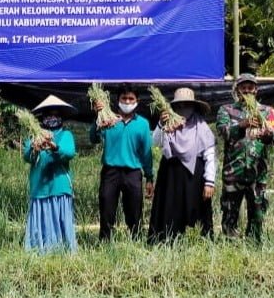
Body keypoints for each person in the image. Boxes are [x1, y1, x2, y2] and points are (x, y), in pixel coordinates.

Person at [216, 73, 274, 240]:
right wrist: (242, 124)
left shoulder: (268, 112)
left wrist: (267, 134)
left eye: (250, 88)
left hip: (257, 172)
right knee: (230, 211)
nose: (247, 91)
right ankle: (230, 244)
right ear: (237, 90)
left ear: (256, 90)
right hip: (234, 171)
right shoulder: (226, 110)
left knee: (257, 211)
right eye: (243, 87)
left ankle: (254, 244)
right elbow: (223, 131)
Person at [148, 87, 216, 241]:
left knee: (194, 209)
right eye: (179, 105)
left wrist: (209, 182)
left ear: (194, 106)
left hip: (194, 175)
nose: (183, 108)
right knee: (169, 208)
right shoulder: (168, 125)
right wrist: (160, 124)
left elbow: (210, 155)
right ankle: (167, 240)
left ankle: (197, 240)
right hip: (170, 174)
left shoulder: (201, 127)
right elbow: (155, 142)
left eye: (187, 104)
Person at [90, 86, 154, 240]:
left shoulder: (143, 124)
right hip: (110, 171)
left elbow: (146, 152)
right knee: (106, 208)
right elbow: (93, 139)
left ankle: (135, 240)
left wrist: (150, 177)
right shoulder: (109, 119)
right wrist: (97, 118)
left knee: (134, 212)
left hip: (133, 173)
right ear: (117, 101)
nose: (127, 102)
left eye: (131, 99)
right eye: (124, 99)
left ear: (137, 101)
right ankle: (104, 243)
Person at [23, 95, 78, 253]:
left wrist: (55, 148)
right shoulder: (34, 136)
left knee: (59, 217)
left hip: (59, 186)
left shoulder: (65, 135)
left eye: (55, 114)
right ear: (42, 118)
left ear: (61, 117)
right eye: (48, 115)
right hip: (39, 187)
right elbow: (27, 156)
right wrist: (34, 147)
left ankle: (63, 249)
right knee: (41, 218)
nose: (52, 118)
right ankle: (39, 249)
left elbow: (69, 153)